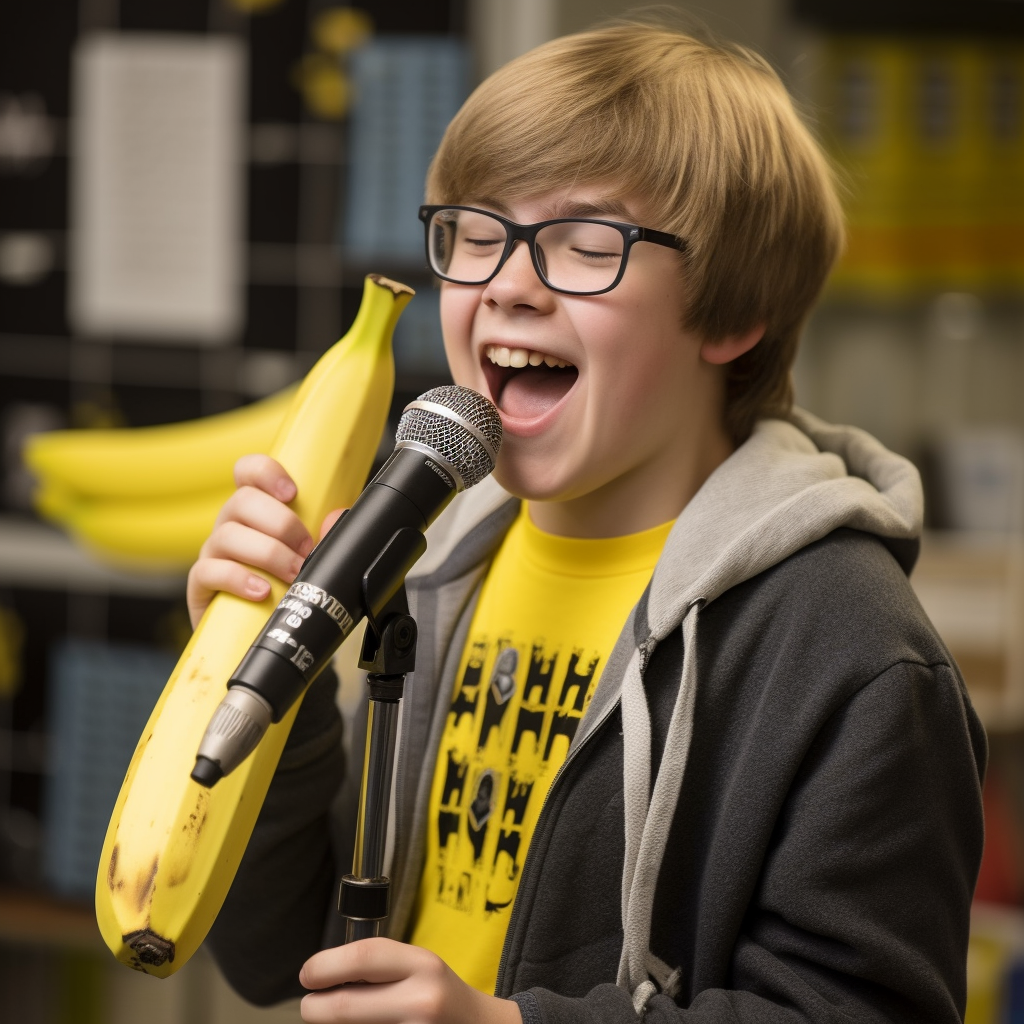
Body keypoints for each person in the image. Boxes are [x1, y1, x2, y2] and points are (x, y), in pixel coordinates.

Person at [188, 21, 986, 1024]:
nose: (509, 283)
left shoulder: (851, 646)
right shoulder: (436, 561)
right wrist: (271, 679)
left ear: (731, 315)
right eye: (477, 234)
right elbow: (282, 955)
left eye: (584, 245)